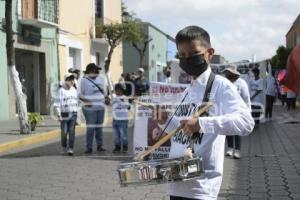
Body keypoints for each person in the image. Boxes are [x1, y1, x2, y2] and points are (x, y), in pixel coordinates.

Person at [154, 26, 254, 200]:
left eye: (193, 53)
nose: (187, 60)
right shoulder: (187, 90)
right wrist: (165, 120)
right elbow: (182, 128)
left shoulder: (221, 86)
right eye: (182, 56)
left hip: (201, 187)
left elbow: (246, 123)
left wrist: (201, 124)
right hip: (176, 183)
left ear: (209, 53)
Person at [222, 65, 251, 159]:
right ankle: (230, 148)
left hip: (239, 110)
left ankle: (237, 150)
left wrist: (248, 111)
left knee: (237, 130)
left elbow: (246, 97)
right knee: (228, 129)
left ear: (233, 73)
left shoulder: (242, 83)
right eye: (226, 73)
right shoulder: (224, 82)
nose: (227, 75)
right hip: (227, 110)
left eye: (228, 73)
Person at [79, 63, 106, 154]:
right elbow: (79, 94)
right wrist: (87, 101)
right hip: (90, 109)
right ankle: (89, 147)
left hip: (101, 107)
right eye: (95, 70)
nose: (97, 72)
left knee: (99, 128)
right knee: (91, 128)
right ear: (90, 71)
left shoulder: (100, 79)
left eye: (98, 71)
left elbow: (103, 91)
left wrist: (106, 98)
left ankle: (100, 145)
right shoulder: (83, 80)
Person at [54, 73, 79, 156]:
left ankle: (71, 148)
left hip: (73, 114)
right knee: (64, 132)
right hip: (64, 114)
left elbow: (77, 102)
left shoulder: (74, 90)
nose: (72, 81)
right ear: (66, 80)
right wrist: (58, 115)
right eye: (70, 80)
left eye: (73, 79)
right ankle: (64, 146)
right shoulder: (61, 91)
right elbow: (57, 103)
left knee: (72, 132)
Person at [111, 83, 130, 153]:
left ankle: (125, 146)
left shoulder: (125, 97)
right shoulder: (114, 98)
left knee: (123, 134)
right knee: (116, 135)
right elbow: (109, 104)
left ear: (122, 91)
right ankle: (117, 146)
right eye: (116, 90)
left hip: (123, 120)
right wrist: (107, 100)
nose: (118, 92)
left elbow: (128, 106)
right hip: (115, 119)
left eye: (119, 90)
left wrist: (122, 102)